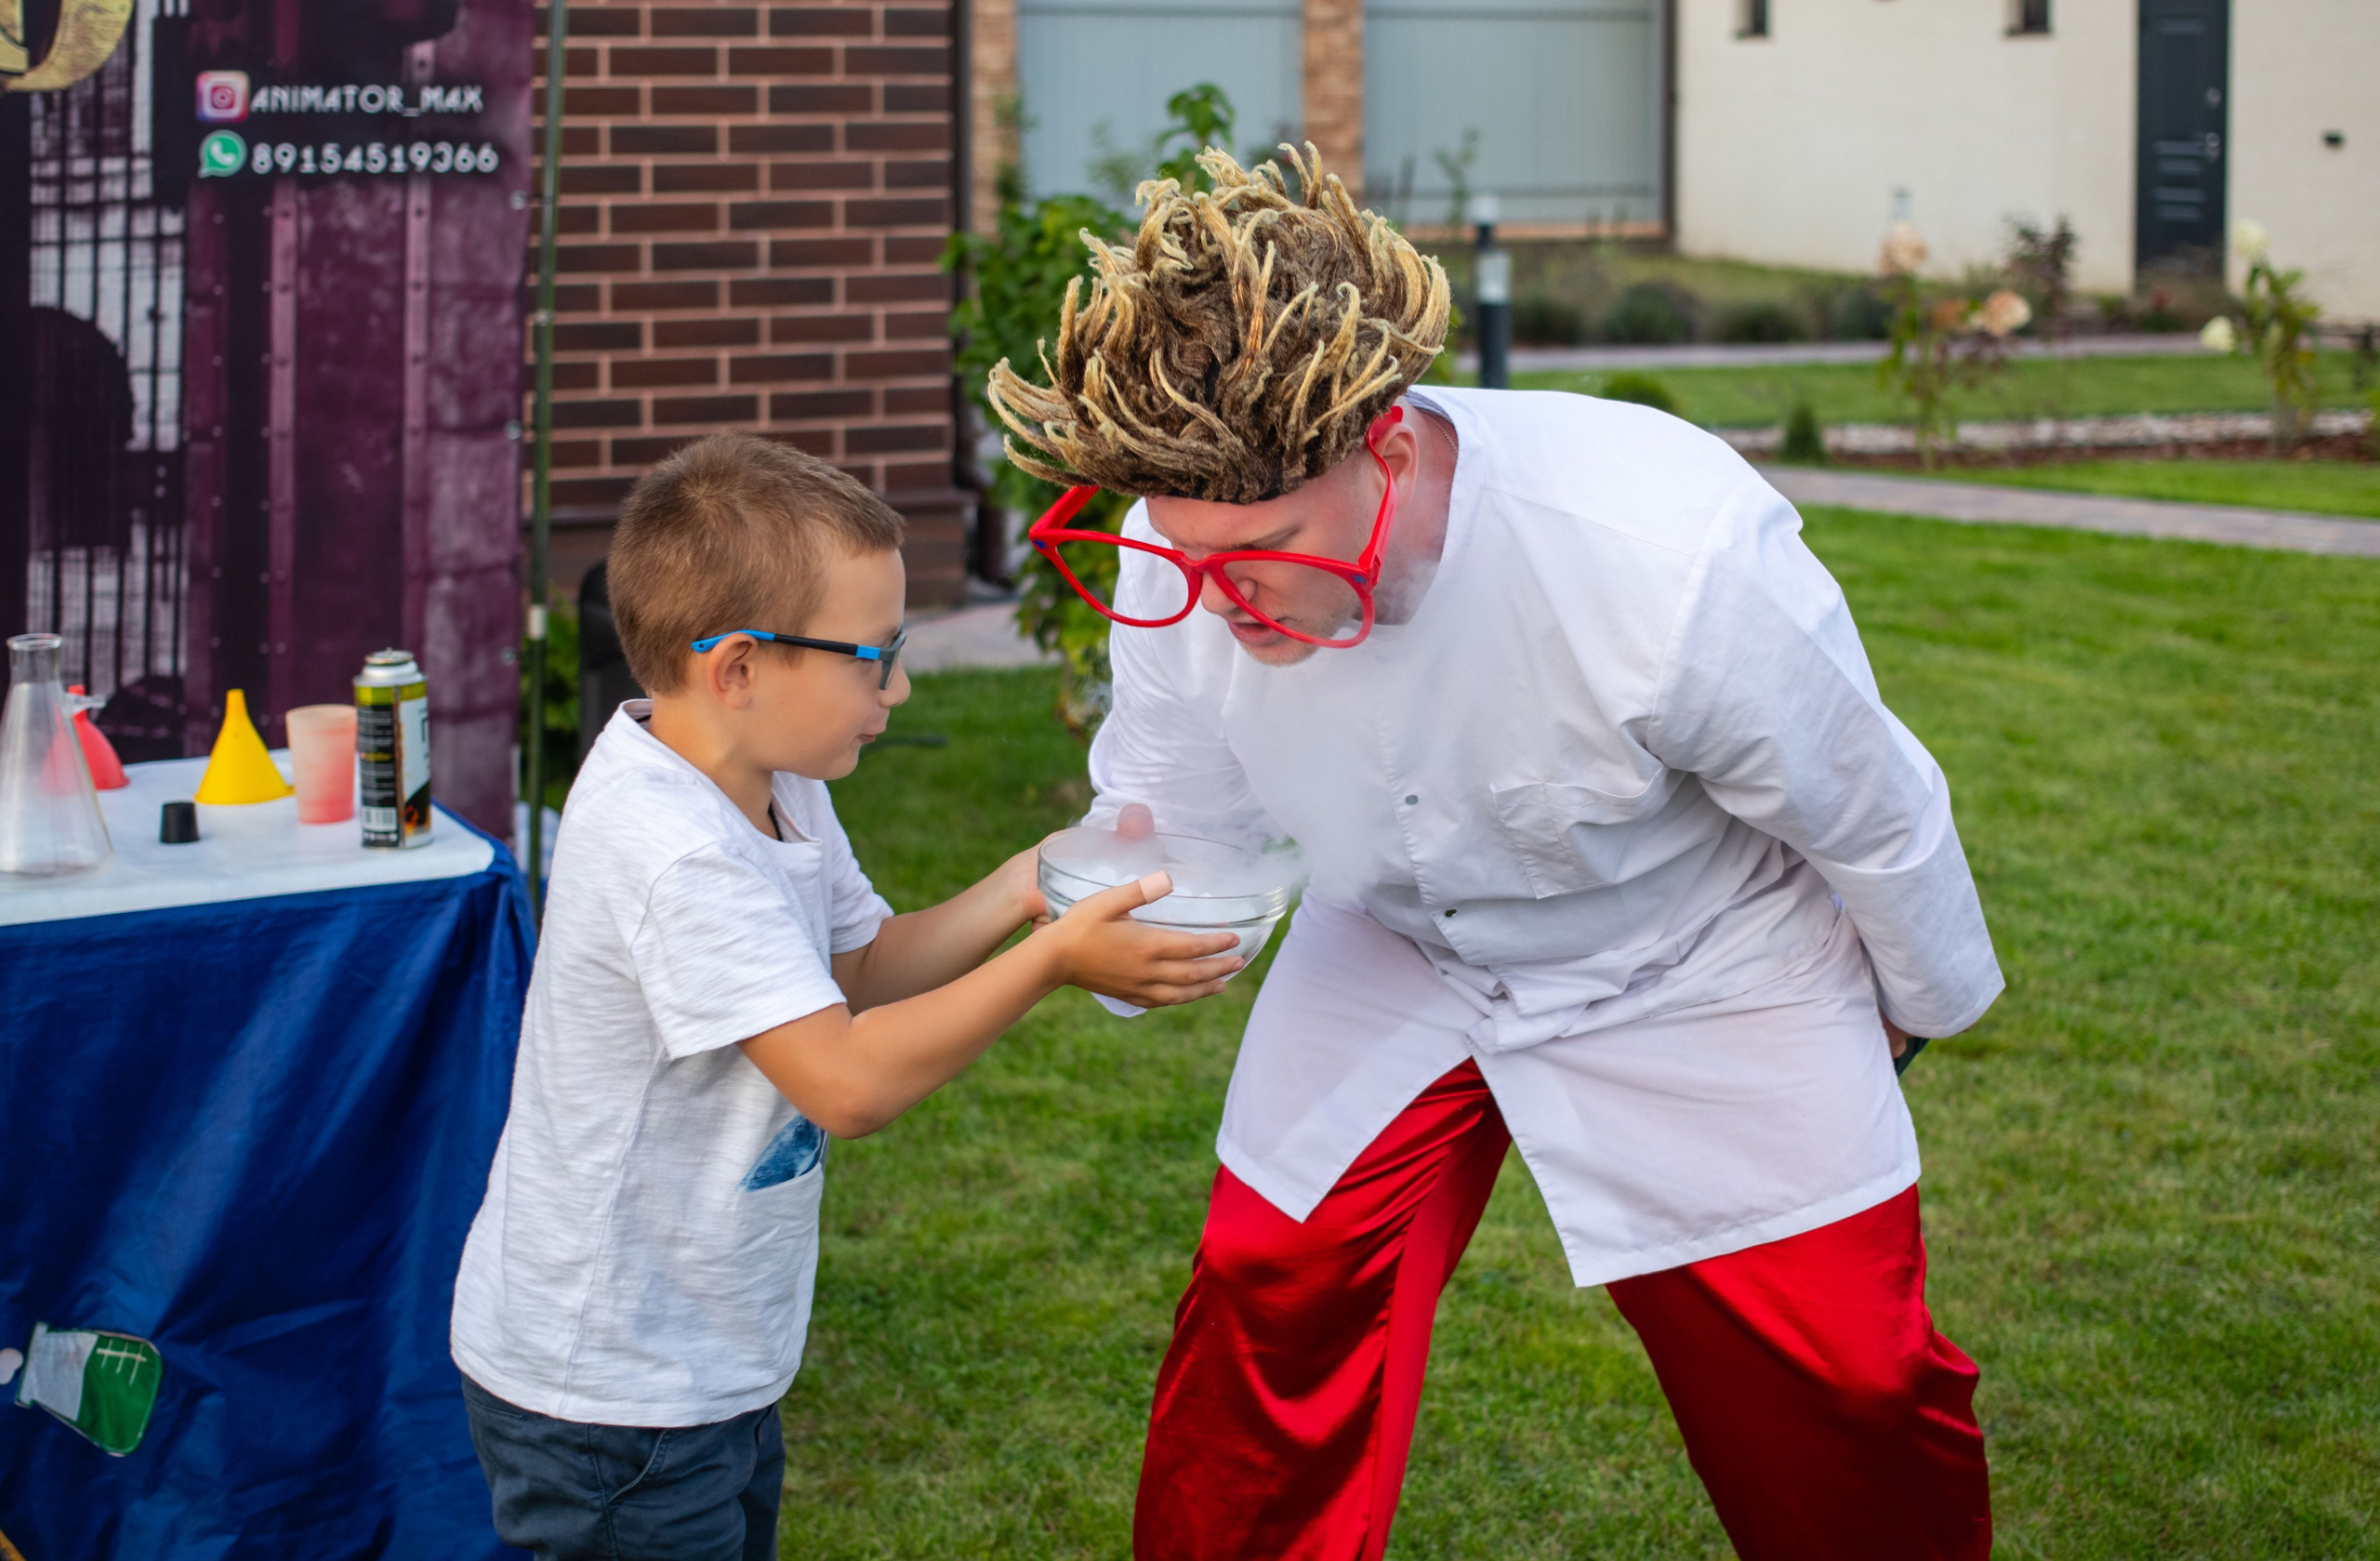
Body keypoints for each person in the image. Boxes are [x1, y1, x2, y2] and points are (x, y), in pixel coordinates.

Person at [987, 148, 2003, 1561]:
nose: (1222, 604)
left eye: (1268, 553)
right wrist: (1139, 923)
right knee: (1267, 1276)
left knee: (1852, 1373)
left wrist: (1911, 1002)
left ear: (1388, 449)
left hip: (1690, 952)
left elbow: (1870, 806)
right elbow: (1177, 797)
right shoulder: (1183, 553)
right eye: (1188, 557)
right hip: (1392, 943)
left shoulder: (1663, 549)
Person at [448, 431, 1243, 1561]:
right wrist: (1054, 958)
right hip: (609, 1386)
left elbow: (860, 966)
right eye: (873, 658)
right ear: (738, 669)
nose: (901, 685)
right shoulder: (676, 849)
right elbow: (846, 1078)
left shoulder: (767, 779)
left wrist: (1027, 882)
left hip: (702, 1353)